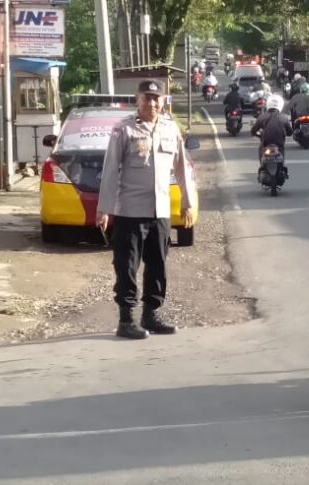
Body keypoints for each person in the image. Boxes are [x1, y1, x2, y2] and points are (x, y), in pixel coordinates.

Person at [97, 80, 196, 340]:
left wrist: (187, 202)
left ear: (163, 101)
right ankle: (126, 319)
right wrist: (104, 208)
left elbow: (182, 169)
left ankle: (151, 315)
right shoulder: (124, 129)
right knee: (127, 266)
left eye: (156, 98)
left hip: (160, 211)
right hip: (130, 211)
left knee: (158, 264)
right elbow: (110, 170)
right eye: (146, 97)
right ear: (137, 99)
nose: (151, 103)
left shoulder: (170, 128)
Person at [251, 94, 293, 159]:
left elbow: (253, 131)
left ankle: (262, 162)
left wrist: (258, 135)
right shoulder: (284, 118)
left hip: (266, 142)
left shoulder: (262, 117)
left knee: (261, 148)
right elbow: (290, 132)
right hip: (279, 143)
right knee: (281, 149)